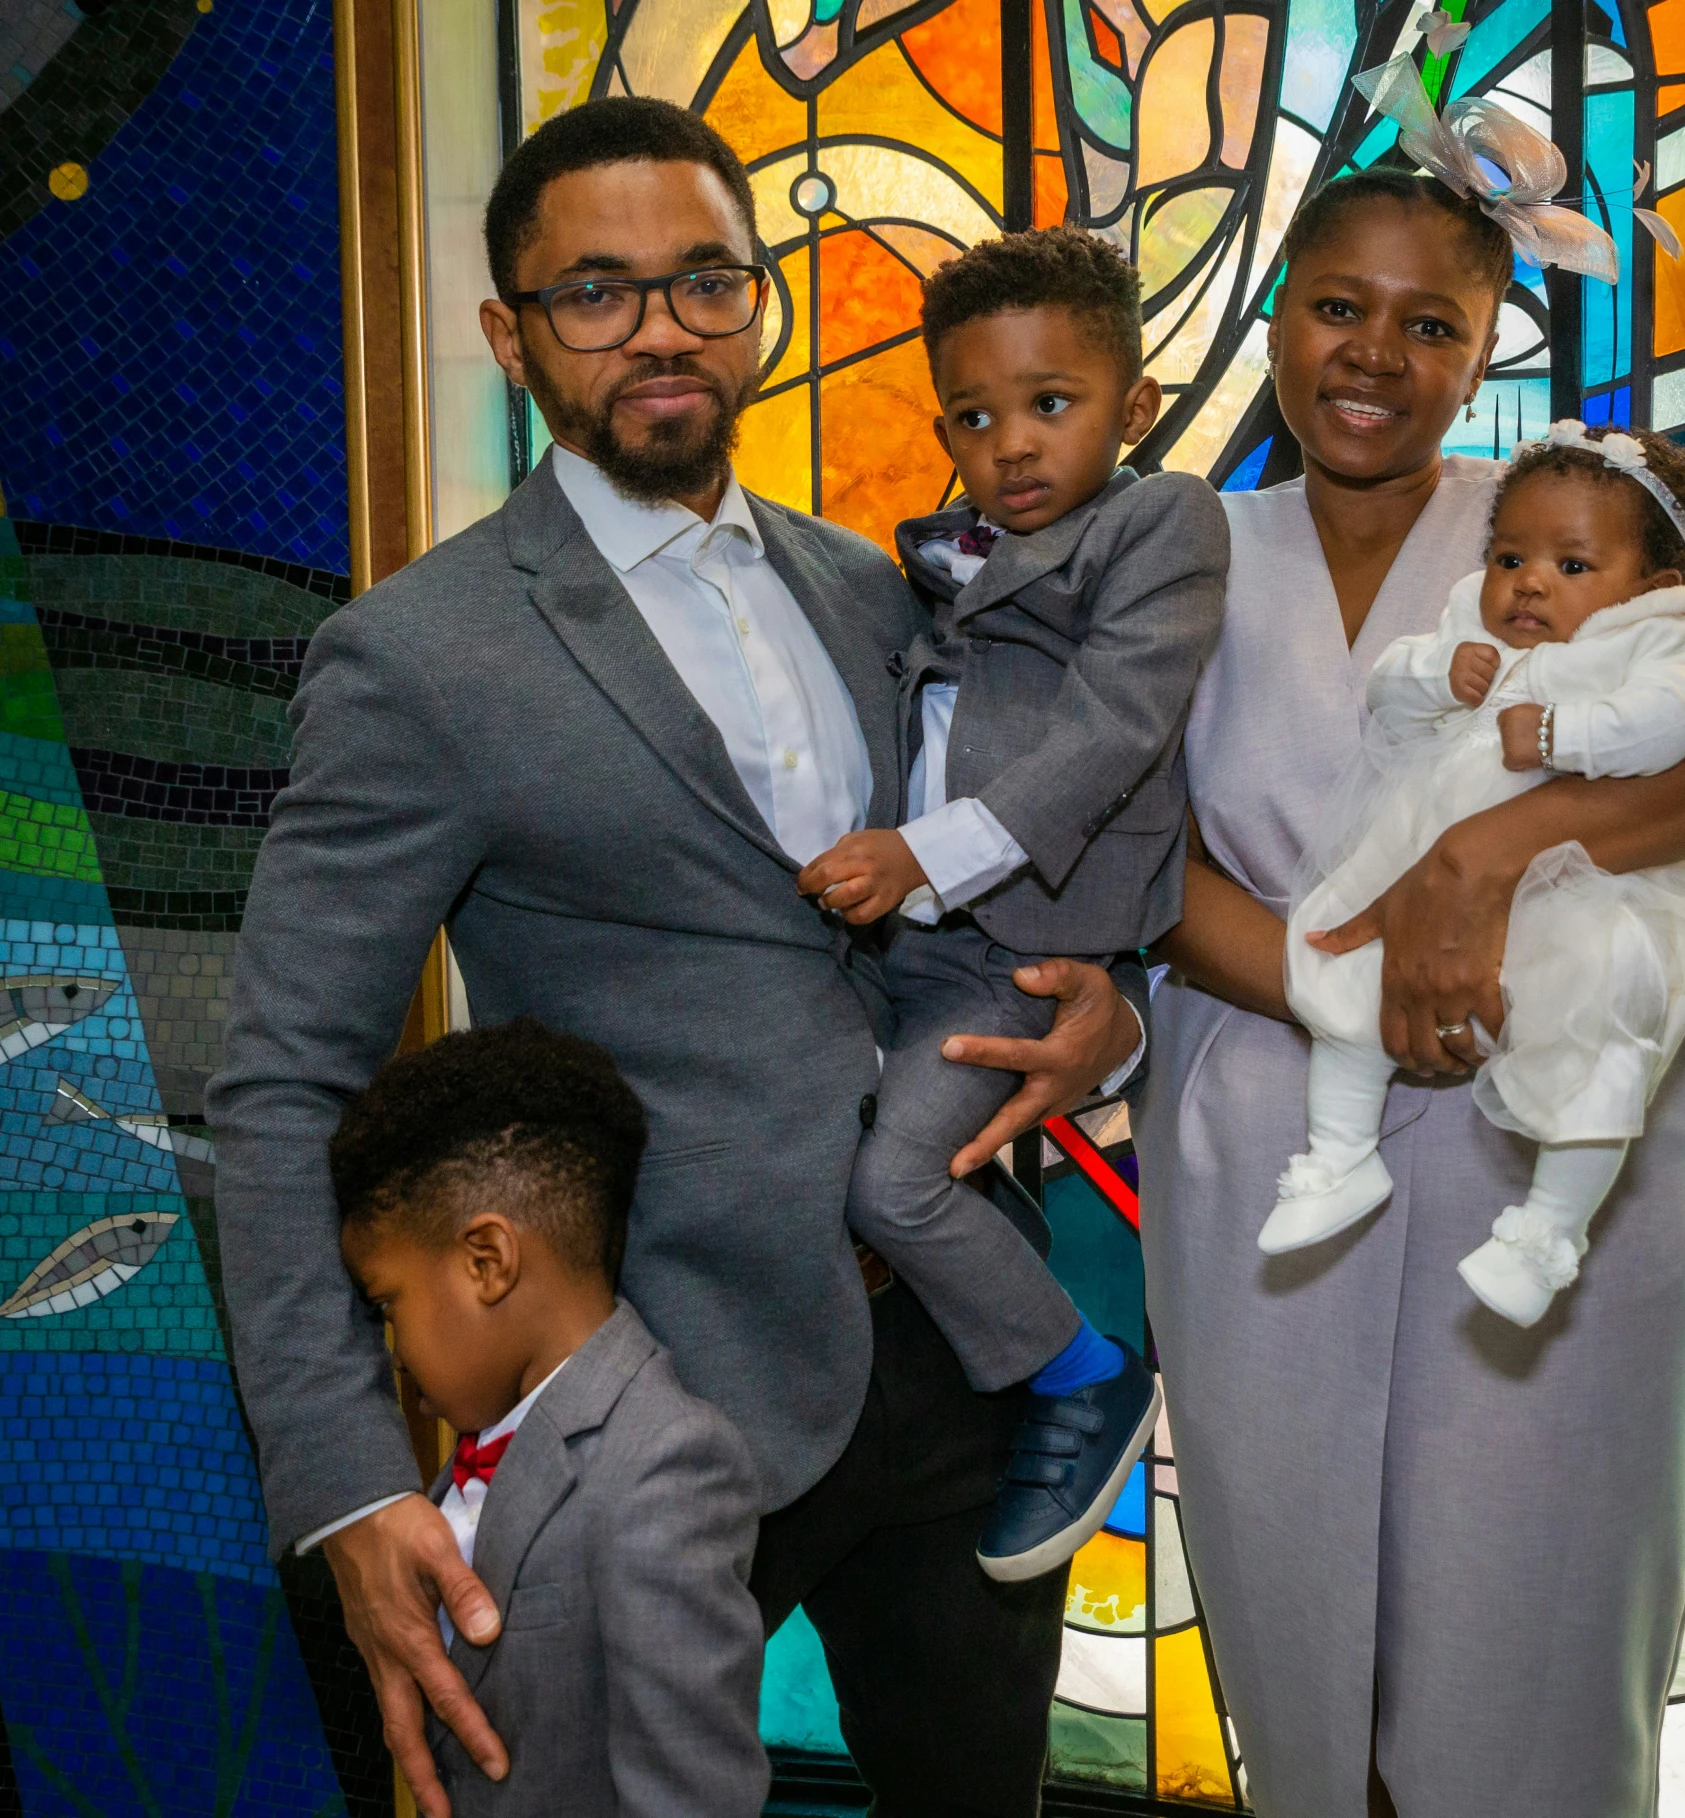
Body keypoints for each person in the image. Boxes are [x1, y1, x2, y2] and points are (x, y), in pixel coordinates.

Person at [208, 97, 1146, 1818]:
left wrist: (1111, 1022)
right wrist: (350, 1486)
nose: (660, 325)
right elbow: (282, 1090)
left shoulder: (881, 591)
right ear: (509, 333)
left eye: (705, 278)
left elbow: (1007, 878)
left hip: (963, 1351)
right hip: (658, 1392)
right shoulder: (415, 658)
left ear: (763, 300)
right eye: (596, 291)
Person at [1131, 161, 1685, 1818]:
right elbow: (1133, 863)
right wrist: (1353, 998)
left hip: (1555, 1141)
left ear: (1483, 352)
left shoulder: (1562, 518)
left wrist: (1498, 849)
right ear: (1275, 308)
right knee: (1304, 1621)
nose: (1369, 355)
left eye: (1426, 323)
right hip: (1274, 1128)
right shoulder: (1175, 549)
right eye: (1334, 307)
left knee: (1535, 1620)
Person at [795, 227, 1227, 1581]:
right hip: (898, 955)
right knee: (838, 1159)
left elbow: (1109, 733)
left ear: (1134, 408)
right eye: (975, 418)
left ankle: (1080, 1371)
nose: (1014, 446)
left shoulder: (1161, 521)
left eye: (1052, 404)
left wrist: (920, 853)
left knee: (893, 1178)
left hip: (1020, 955)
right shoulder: (931, 558)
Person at [1270, 423, 1685, 1330]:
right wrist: (1436, 674)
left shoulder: (1676, 633)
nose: (1531, 581)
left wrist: (1561, 735)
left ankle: (1546, 1235)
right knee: (1338, 955)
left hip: (1592, 886)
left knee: (1604, 1028)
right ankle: (1338, 1155)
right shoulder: (1472, 613)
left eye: (1573, 565)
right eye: (1511, 555)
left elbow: (1679, 718)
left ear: (1654, 583)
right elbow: (1386, 689)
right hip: (1421, 852)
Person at [331, 1018, 769, 1817]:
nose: (394, 1350)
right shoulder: (478, 1444)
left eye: (389, 1304)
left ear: (486, 1262)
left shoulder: (668, 1464)